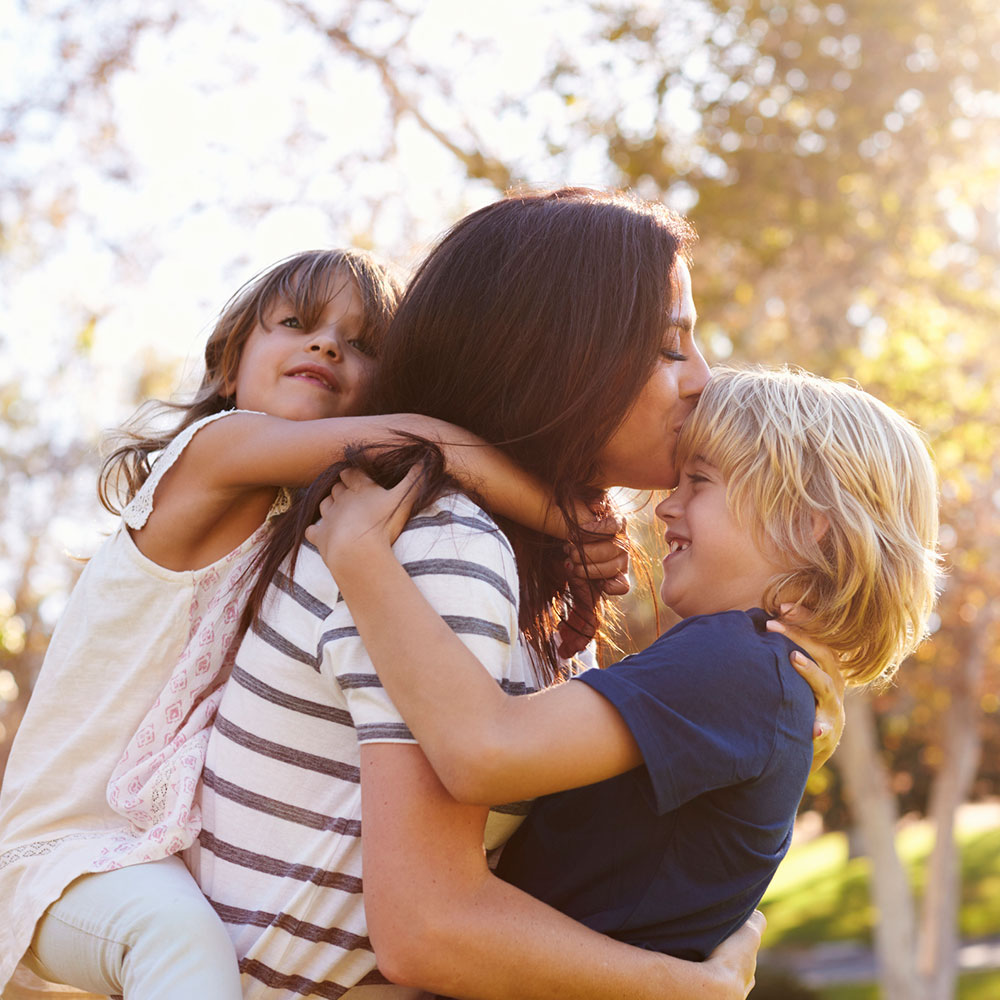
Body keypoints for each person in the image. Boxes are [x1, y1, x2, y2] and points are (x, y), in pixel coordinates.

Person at [189, 189, 845, 1000]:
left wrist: (756, 725)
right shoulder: (443, 545)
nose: (701, 380)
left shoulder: (508, 563)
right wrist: (689, 989)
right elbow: (432, 931)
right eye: (671, 345)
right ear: (560, 353)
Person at [0, 248, 578, 1000]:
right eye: (297, 324)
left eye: (361, 343)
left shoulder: (304, 523)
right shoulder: (214, 451)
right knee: (177, 943)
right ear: (231, 366)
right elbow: (420, 444)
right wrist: (568, 526)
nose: (328, 345)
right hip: (64, 854)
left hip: (156, 848)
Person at [310, 363, 940, 964]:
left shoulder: (736, 661)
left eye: (701, 481)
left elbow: (484, 750)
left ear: (808, 527)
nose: (666, 506)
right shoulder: (762, 675)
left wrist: (360, 555)